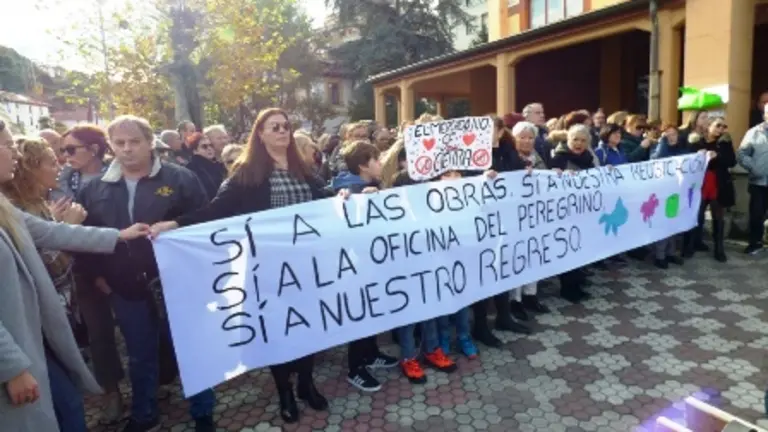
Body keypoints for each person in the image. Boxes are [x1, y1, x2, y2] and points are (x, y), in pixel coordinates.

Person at [150, 108, 333, 425]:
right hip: (268, 269)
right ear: (259, 134)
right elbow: (216, 210)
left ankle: (306, 383)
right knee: (278, 330)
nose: (282, 131)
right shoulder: (247, 172)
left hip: (306, 265)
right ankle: (285, 392)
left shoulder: (302, 168)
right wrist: (176, 224)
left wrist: (353, 196)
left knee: (309, 327)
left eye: (285, 126)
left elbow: (327, 199)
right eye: (273, 127)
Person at [0, 119, 151, 432]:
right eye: (8, 145)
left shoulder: (4, 208)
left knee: (68, 407)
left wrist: (120, 235)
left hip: (32, 339)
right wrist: (11, 367)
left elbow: (53, 232)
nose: (14, 154)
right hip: (15, 352)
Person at [77, 115, 216, 432]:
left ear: (150, 142)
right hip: (124, 286)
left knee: (189, 347)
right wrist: (98, 277)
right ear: (110, 146)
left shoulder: (180, 178)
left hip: (176, 281)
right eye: (120, 143)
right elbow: (85, 235)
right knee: (139, 354)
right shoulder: (95, 188)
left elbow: (206, 218)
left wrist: (176, 224)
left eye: (134, 141)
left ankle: (203, 410)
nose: (127, 149)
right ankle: (144, 413)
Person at [330, 141, 399, 391]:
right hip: (357, 269)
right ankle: (355, 368)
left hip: (374, 264)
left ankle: (371, 354)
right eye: (376, 160)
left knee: (374, 312)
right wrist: (360, 200)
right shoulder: (350, 191)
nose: (381, 163)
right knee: (360, 316)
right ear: (362, 165)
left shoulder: (371, 185)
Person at [550, 124, 595, 303]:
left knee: (581, 250)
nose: (578, 143)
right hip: (564, 214)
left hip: (582, 212)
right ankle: (567, 289)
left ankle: (577, 285)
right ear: (568, 140)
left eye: (583, 140)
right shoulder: (559, 158)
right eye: (575, 139)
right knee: (568, 251)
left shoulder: (588, 158)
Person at [687, 117, 736, 262]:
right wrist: (698, 154)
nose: (721, 129)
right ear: (709, 126)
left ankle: (719, 249)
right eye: (718, 125)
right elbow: (688, 160)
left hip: (718, 182)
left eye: (724, 126)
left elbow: (732, 161)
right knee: (697, 214)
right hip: (700, 182)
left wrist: (718, 156)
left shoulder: (725, 142)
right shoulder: (697, 141)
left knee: (718, 216)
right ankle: (691, 245)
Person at [650, 124, 689, 268]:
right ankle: (660, 256)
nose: (671, 137)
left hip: (677, 192)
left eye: (674, 134)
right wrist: (662, 143)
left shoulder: (683, 149)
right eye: (668, 134)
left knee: (674, 223)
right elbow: (657, 159)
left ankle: (671, 253)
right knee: (663, 223)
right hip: (661, 192)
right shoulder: (657, 149)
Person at [737, 103, 768, 255]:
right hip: (758, 182)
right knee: (756, 215)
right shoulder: (754, 133)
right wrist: (754, 167)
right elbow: (742, 154)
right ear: (765, 115)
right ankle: (755, 243)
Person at [185, 132, 226, 201]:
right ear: (195, 151)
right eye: (204, 146)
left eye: (211, 145)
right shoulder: (192, 169)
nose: (209, 148)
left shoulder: (217, 165)